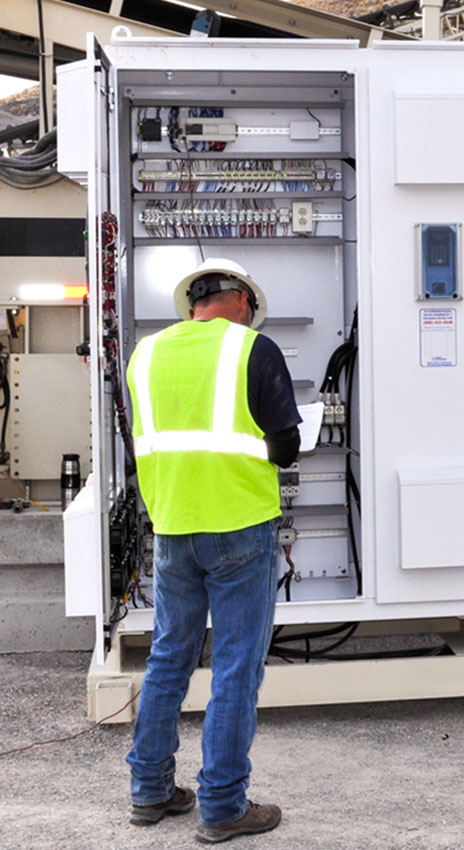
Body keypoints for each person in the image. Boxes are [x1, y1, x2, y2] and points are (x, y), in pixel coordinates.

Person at [124, 258, 300, 843]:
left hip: (173, 525)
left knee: (169, 658)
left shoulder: (144, 355)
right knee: (234, 667)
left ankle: (149, 791)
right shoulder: (254, 349)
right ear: (243, 300)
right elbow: (286, 447)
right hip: (240, 526)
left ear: (193, 303)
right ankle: (223, 806)